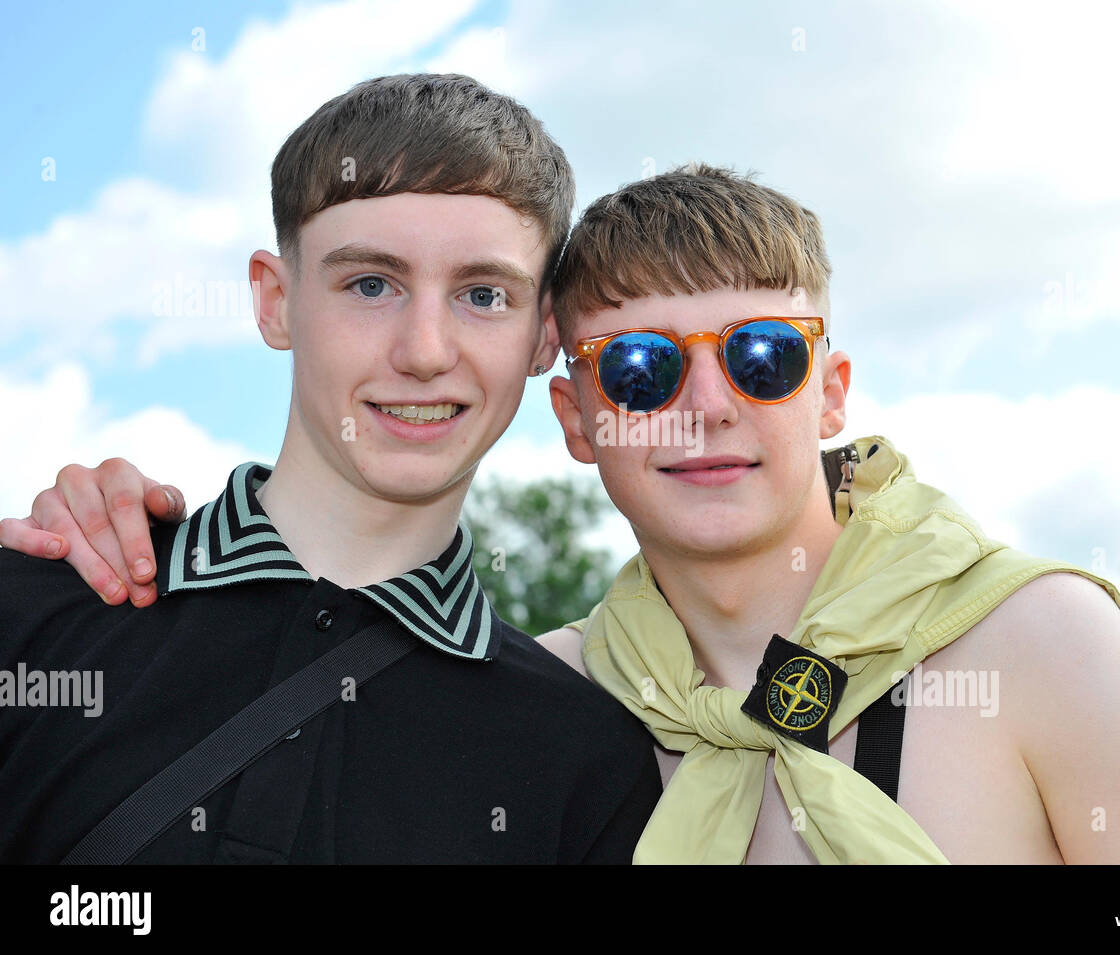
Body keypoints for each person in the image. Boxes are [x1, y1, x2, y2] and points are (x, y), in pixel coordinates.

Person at [4, 161, 1120, 864]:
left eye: (761, 354)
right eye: (642, 369)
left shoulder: (1035, 643)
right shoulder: (566, 711)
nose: (701, 407)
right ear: (581, 422)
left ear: (831, 394)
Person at [0, 73, 661, 864]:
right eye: (371, 284)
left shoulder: (588, 757)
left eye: (483, 294)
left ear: (544, 335)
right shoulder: (34, 609)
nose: (424, 352)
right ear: (275, 301)